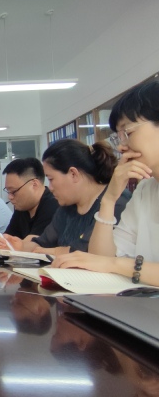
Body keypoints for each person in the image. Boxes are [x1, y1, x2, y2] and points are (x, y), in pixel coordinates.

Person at [52, 81, 159, 286]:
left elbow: (108, 263)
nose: (121, 147)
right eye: (118, 137)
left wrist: (115, 265)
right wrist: (109, 198)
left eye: (128, 133)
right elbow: (100, 259)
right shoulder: (145, 190)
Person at [5, 139, 130, 256]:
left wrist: (52, 251)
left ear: (73, 174)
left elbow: (89, 252)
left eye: (51, 179)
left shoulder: (116, 201)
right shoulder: (67, 207)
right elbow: (43, 242)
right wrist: (21, 246)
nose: (50, 188)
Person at [0, 158, 58, 249]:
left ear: (34, 185)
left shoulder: (53, 205)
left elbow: (25, 246)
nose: (10, 197)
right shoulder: (22, 206)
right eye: (8, 191)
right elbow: (4, 241)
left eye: (13, 191)